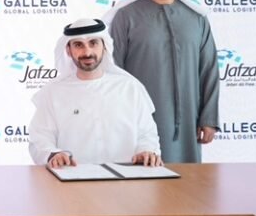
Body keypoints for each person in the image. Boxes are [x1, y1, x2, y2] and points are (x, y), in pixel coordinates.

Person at [107, 0, 220, 163]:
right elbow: (114, 69)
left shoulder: (197, 18)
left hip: (189, 119)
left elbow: (209, 70)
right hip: (139, 118)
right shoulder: (126, 16)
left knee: (188, 177)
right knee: (144, 176)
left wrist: (209, 118)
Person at [29, 18, 162, 169]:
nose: (87, 52)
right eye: (78, 45)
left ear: (104, 47)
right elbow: (40, 138)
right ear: (68, 50)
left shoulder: (130, 87)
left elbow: (147, 134)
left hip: (126, 178)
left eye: (93, 43)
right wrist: (53, 154)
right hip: (72, 178)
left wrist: (146, 151)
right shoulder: (53, 92)